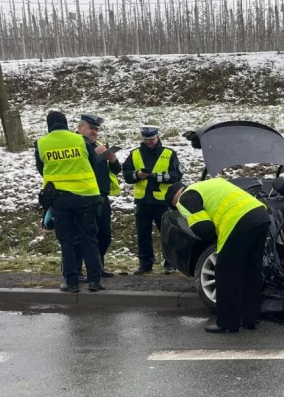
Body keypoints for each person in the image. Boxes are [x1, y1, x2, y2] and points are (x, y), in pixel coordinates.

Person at [165, 179, 271, 333]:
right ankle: (250, 318)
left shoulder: (184, 199)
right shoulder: (209, 184)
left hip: (238, 222)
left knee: (225, 273)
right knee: (251, 270)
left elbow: (204, 229)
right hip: (261, 215)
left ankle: (227, 322)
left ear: (174, 201)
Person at [35, 110, 104, 293]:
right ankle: (94, 281)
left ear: (48, 125)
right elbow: (94, 163)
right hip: (86, 195)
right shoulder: (79, 140)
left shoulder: (42, 144)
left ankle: (71, 282)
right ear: (66, 123)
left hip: (60, 198)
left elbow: (41, 169)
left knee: (66, 240)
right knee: (89, 238)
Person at [122, 126, 182, 275]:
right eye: (146, 140)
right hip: (142, 201)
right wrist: (137, 175)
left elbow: (176, 175)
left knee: (167, 234)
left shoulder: (169, 154)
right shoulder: (135, 154)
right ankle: (145, 264)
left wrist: (157, 177)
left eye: (152, 139)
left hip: (162, 202)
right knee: (143, 235)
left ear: (158, 137)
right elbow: (127, 174)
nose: (149, 142)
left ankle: (171, 263)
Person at [76, 114, 121, 278]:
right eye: (91, 128)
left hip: (102, 198)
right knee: (83, 237)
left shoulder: (98, 145)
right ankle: (78, 269)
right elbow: (80, 167)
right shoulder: (77, 145)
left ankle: (97, 266)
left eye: (96, 129)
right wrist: (95, 154)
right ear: (80, 127)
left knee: (104, 236)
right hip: (84, 197)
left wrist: (113, 159)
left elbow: (115, 170)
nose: (94, 132)